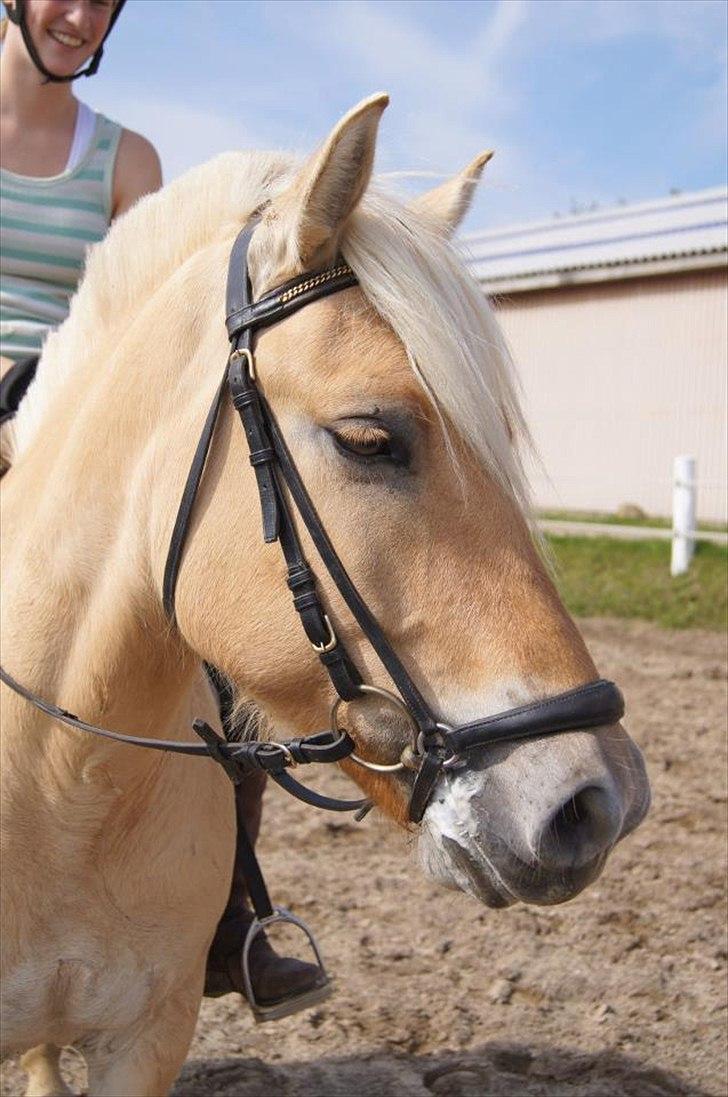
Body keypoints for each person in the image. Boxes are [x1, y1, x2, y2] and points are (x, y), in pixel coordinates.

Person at [0, 0, 325, 1017]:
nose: (82, 13)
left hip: (84, 429)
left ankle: (231, 917)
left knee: (217, 627)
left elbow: (150, 316)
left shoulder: (127, 160)